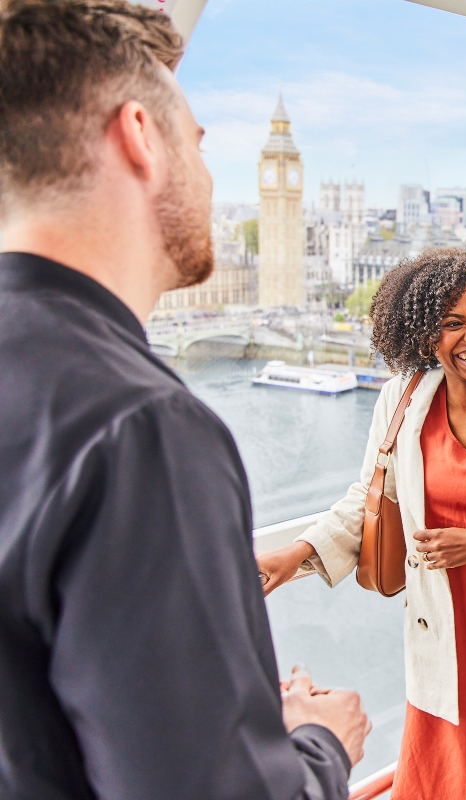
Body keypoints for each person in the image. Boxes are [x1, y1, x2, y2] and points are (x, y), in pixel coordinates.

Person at [0, 2, 369, 798]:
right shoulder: (141, 426)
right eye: (198, 141)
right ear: (140, 136)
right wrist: (319, 744)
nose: (209, 176)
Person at [257, 248, 466, 800]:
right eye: (453, 323)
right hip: (444, 638)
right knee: (447, 782)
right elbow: (368, 499)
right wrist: (295, 554)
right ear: (423, 336)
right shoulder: (401, 400)